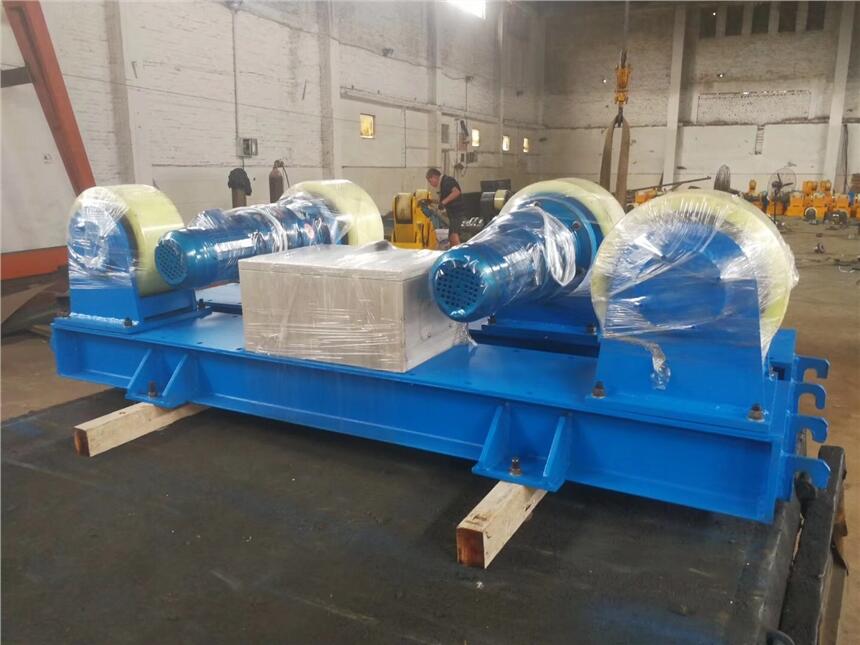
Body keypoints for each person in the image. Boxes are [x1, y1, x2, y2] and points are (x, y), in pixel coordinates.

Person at [426, 168, 464, 247]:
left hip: (457, 213)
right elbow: (443, 200)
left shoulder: (447, 181)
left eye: (430, 181)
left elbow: (456, 192)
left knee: (454, 235)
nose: (430, 184)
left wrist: (443, 203)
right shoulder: (443, 185)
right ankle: (454, 251)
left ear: (434, 177)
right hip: (453, 214)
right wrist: (430, 201)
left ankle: (459, 252)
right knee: (451, 237)